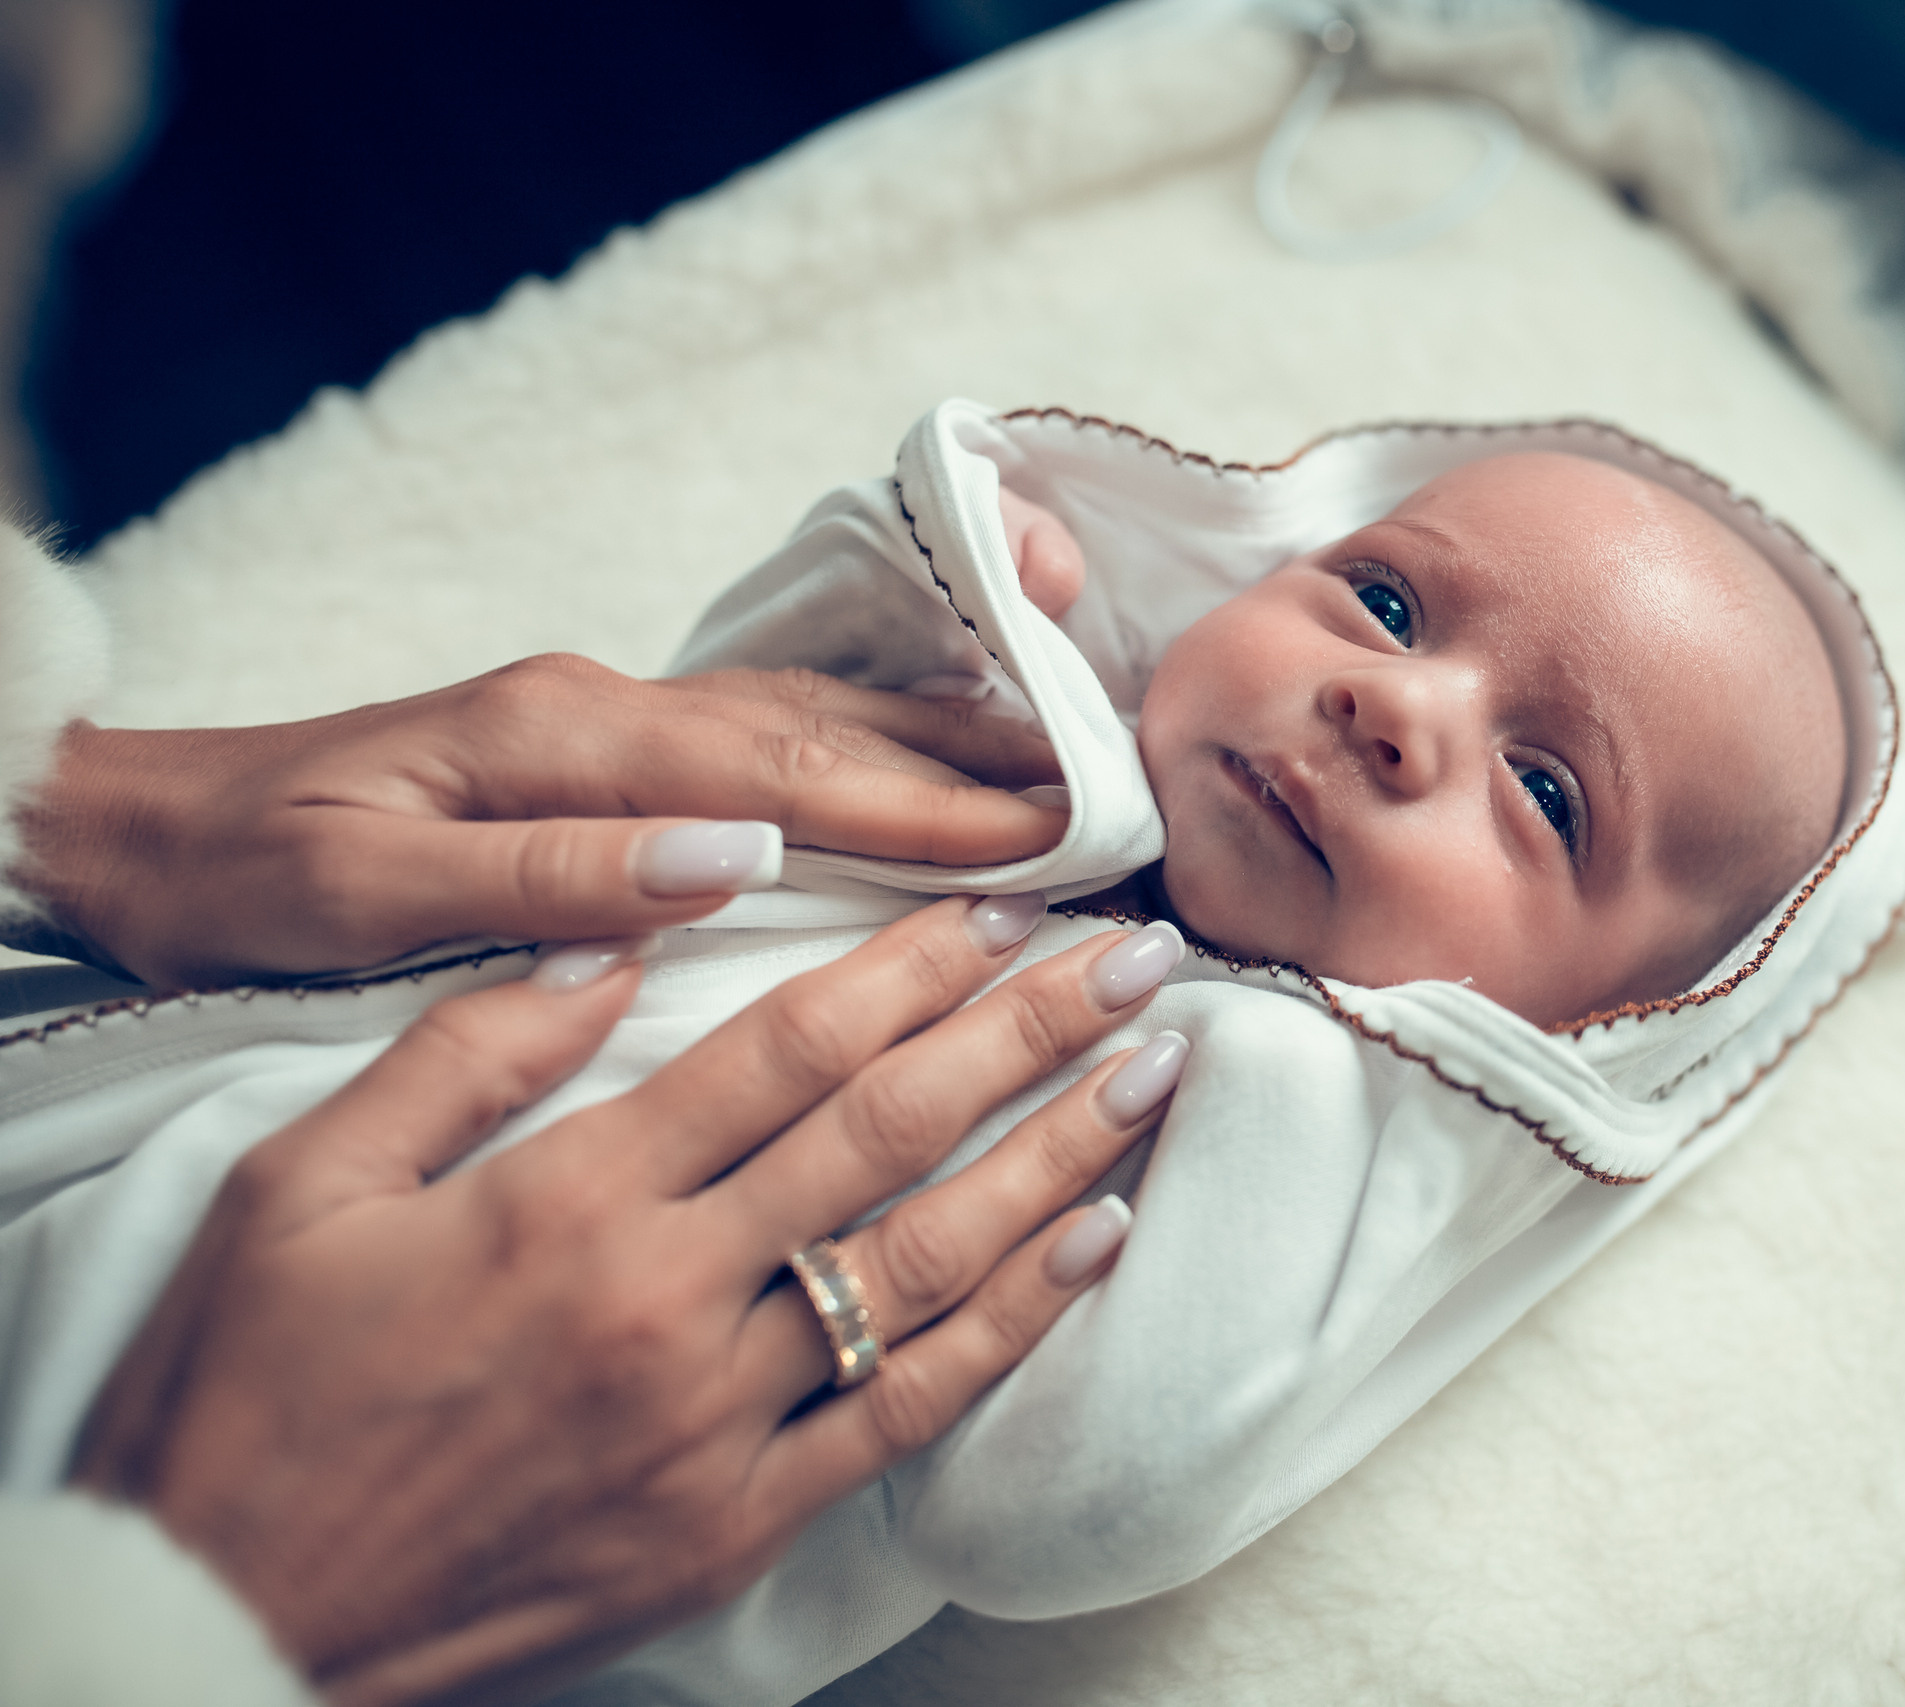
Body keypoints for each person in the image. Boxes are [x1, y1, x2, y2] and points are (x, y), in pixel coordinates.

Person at [1, 399, 1905, 1703]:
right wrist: (931, 592)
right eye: (1382, 597)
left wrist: (1305, 1089)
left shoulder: (1248, 1133)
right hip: (128, 1148)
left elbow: (1054, 1518)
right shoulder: (1018, 769)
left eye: (1544, 789)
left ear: (1575, 1029)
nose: (1390, 704)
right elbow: (701, 707)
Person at [0, 517, 1194, 1705]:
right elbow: (749, 670)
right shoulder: (1042, 737)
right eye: (1379, 601)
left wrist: (77, 809)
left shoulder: (1256, 1083)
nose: (1383, 713)